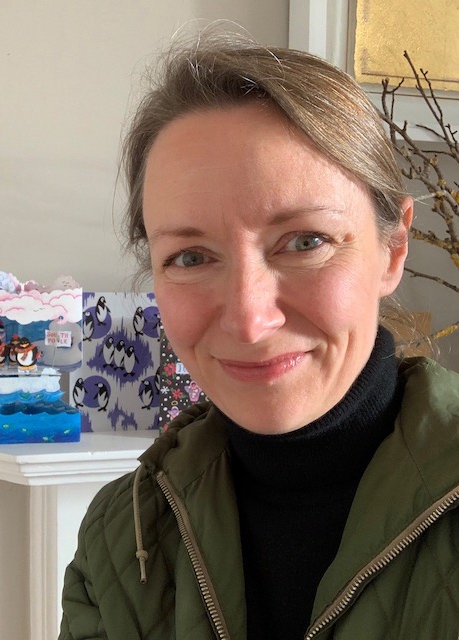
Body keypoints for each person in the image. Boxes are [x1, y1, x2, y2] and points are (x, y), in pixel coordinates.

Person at [59, 34, 459, 640]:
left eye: (305, 242)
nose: (249, 320)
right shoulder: (127, 535)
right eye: (191, 256)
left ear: (392, 250)